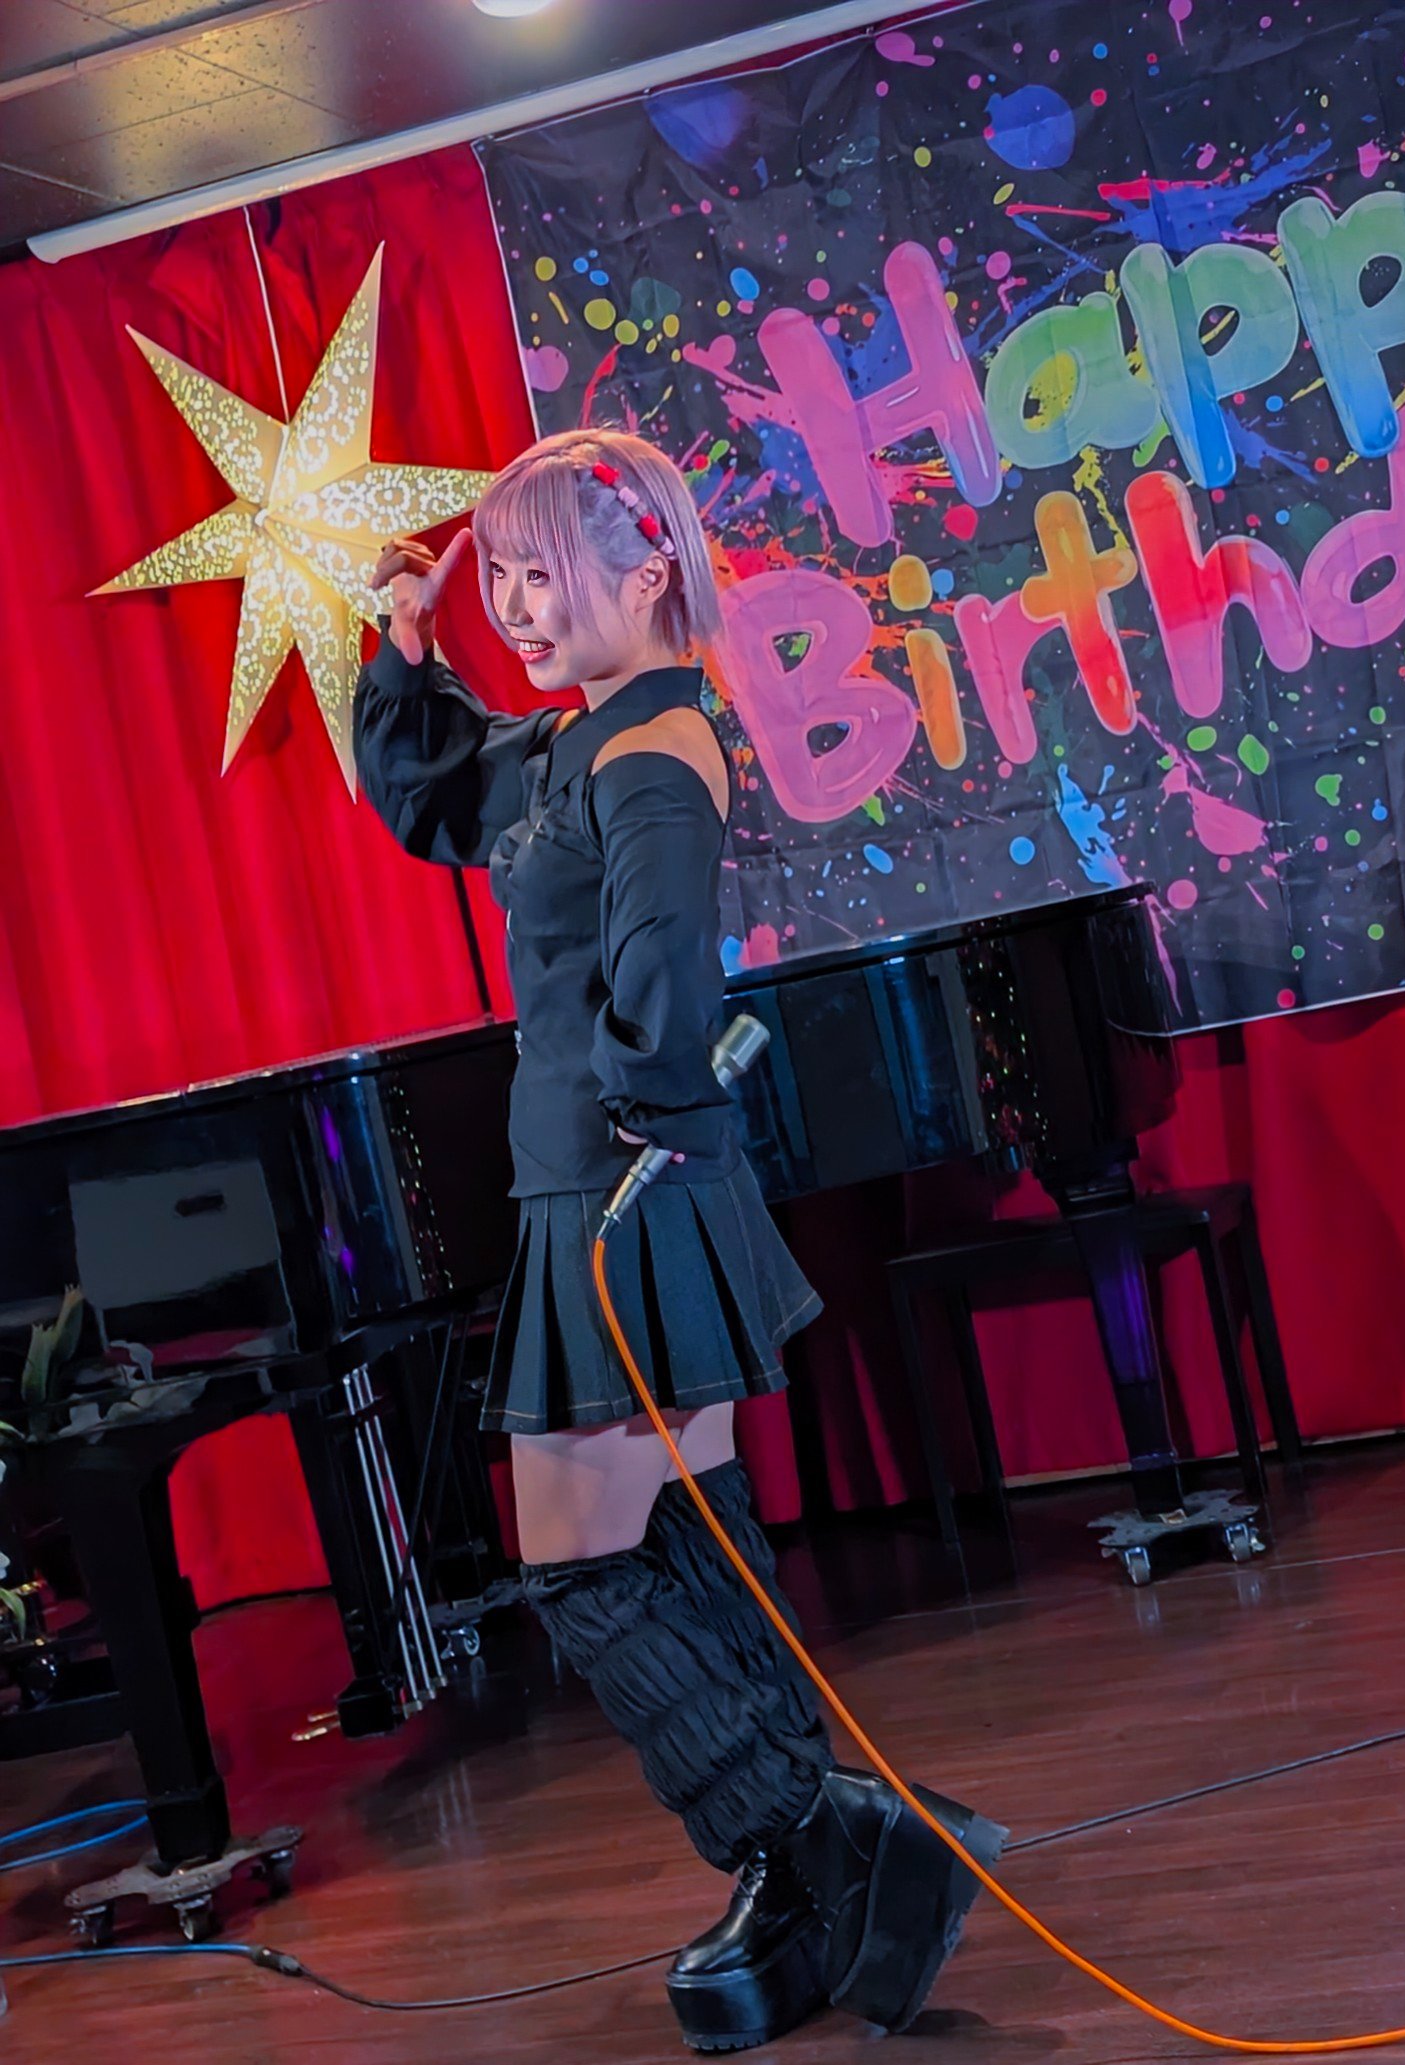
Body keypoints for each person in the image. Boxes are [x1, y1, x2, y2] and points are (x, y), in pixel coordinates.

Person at [357, 428, 1000, 2053]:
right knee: (692, 1544)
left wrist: (643, 1109)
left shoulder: (650, 752)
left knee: (582, 1571)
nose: (514, 604)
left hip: (620, 1188)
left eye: (542, 572)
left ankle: (812, 1838)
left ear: (647, 568)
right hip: (614, 1184)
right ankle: (818, 1864)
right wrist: (408, 643)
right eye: (503, 576)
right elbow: (438, 794)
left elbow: (664, 974)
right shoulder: (574, 740)